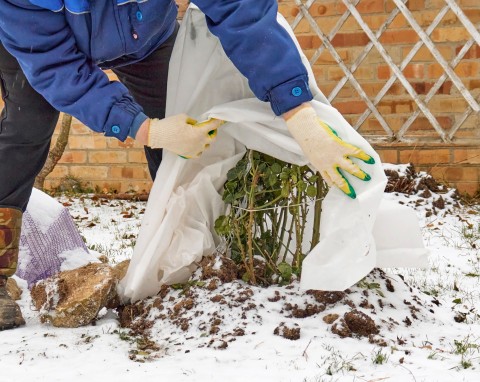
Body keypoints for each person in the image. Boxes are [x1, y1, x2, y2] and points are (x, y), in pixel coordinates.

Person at [0, 0, 374, 330]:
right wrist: (147, 130)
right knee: (25, 131)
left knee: (179, 118)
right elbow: (58, 69)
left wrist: (298, 113)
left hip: (143, 38)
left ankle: (178, 254)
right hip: (41, 49)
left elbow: (241, 12)